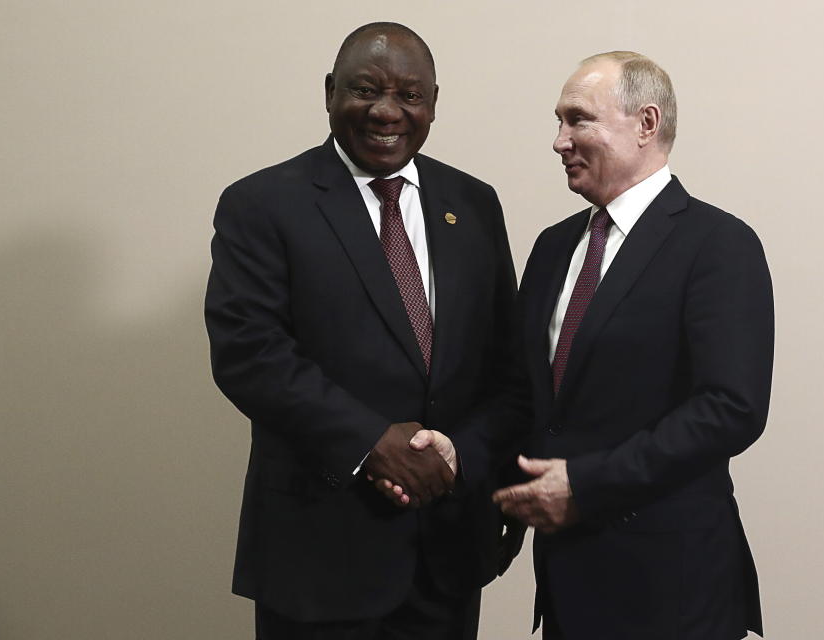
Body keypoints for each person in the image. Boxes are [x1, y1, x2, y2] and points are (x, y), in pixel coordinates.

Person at [414, 51, 774, 639]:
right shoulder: (555, 247)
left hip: (673, 586)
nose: (560, 140)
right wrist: (460, 453)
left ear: (646, 124)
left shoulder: (719, 245)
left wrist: (587, 486)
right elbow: (522, 395)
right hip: (567, 582)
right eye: (558, 121)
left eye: (578, 119)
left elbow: (731, 409)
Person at [204, 22, 518, 639]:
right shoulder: (263, 204)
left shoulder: (475, 204)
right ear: (329, 92)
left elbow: (507, 367)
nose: (387, 111)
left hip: (448, 551)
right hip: (319, 555)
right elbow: (250, 354)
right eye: (366, 90)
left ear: (432, 103)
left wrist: (459, 457)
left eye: (409, 95)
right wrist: (372, 442)